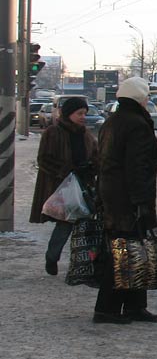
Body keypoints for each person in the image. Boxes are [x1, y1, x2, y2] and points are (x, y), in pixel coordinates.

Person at [93, 77, 157, 325]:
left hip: (112, 197)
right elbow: (137, 168)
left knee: (131, 252)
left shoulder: (112, 122)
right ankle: (107, 309)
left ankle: (134, 306)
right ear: (139, 99)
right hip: (128, 201)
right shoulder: (137, 125)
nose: (148, 100)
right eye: (146, 96)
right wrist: (141, 203)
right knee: (124, 253)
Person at [30, 97, 98, 276]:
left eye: (85, 113)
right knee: (65, 224)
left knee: (86, 227)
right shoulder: (53, 132)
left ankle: (87, 263)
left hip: (84, 187)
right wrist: (67, 170)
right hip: (62, 188)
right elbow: (44, 159)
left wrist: (92, 167)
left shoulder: (86, 134)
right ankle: (52, 258)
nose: (83, 117)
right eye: (80, 113)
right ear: (69, 114)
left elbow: (96, 156)